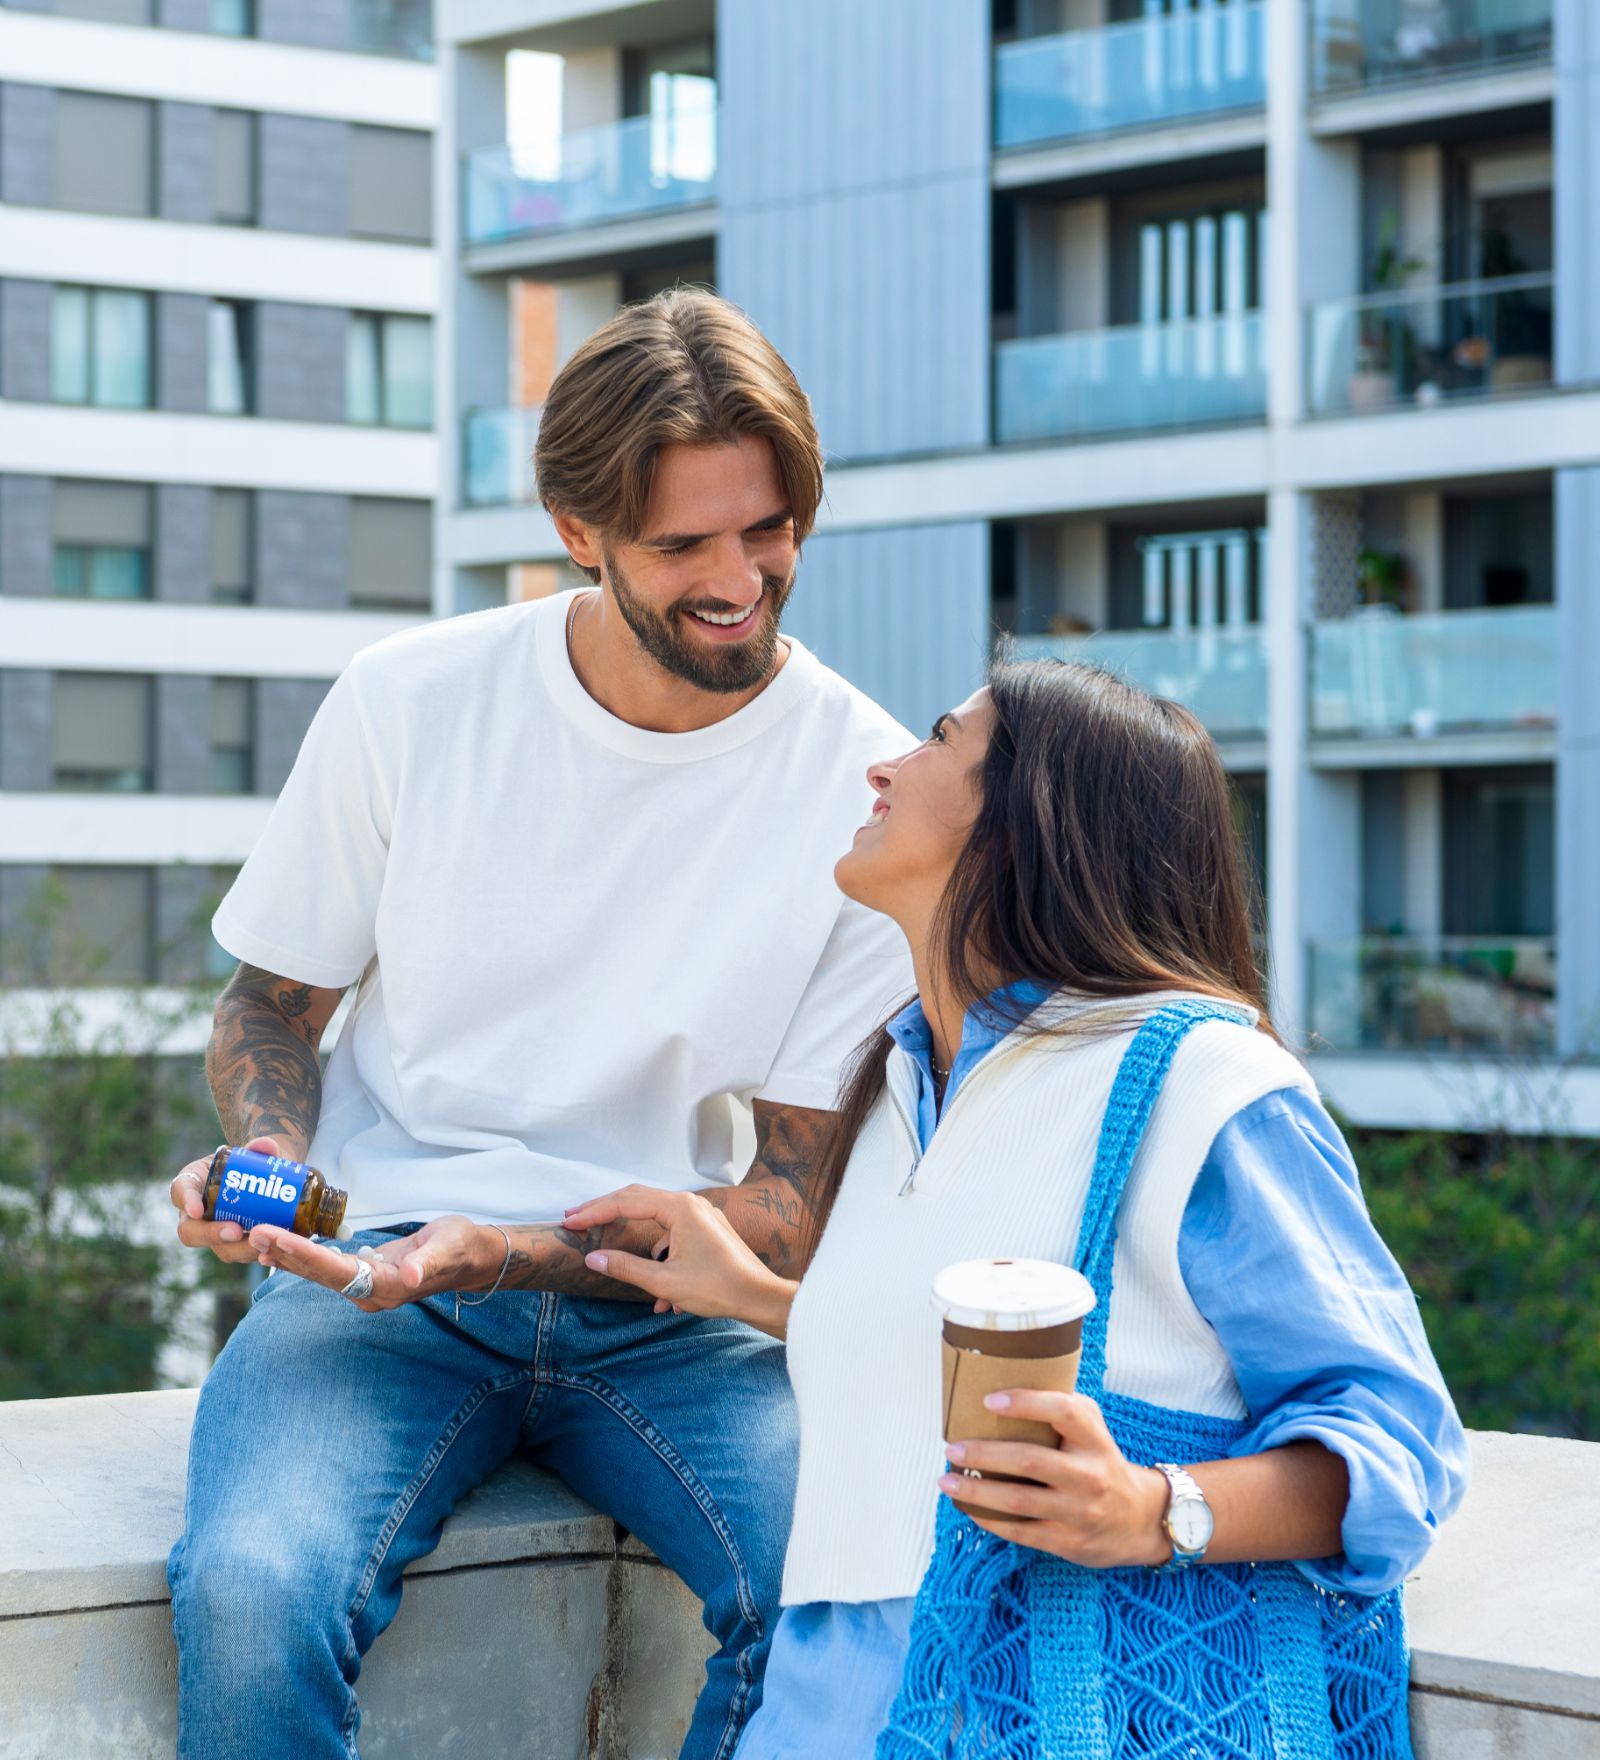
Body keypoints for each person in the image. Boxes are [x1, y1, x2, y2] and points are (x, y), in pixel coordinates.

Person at [165, 289, 914, 1760]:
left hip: (687, 1329)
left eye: (768, 531)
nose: (741, 582)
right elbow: (275, 1004)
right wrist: (270, 1165)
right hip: (378, 1291)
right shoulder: (411, 702)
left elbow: (782, 1211)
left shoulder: (870, 790)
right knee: (255, 1593)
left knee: (847, 1599)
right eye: (684, 545)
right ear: (579, 530)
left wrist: (507, 1248)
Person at [562, 660, 1470, 1756]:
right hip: (825, 1711)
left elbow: (1399, 1445)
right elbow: (940, 1373)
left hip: (1055, 1711)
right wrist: (756, 1294)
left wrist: (1150, 1509)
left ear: (1031, 822)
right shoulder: (897, 1080)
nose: (884, 764)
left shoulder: (1200, 1081)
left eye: (938, 740)